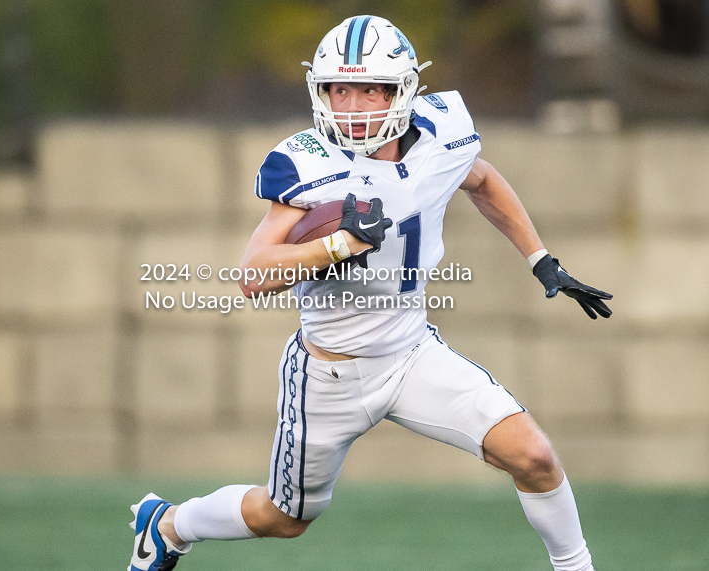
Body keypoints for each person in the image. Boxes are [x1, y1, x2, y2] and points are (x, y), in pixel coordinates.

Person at [127, 15, 612, 571]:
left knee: (535, 456)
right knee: (283, 519)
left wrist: (540, 259)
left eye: (369, 89)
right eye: (339, 89)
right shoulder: (309, 161)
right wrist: (336, 244)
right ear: (321, 92)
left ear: (402, 90)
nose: (353, 105)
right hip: (327, 374)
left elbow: (481, 180)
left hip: (411, 355)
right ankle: (166, 526)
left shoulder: (440, 135)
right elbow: (254, 273)